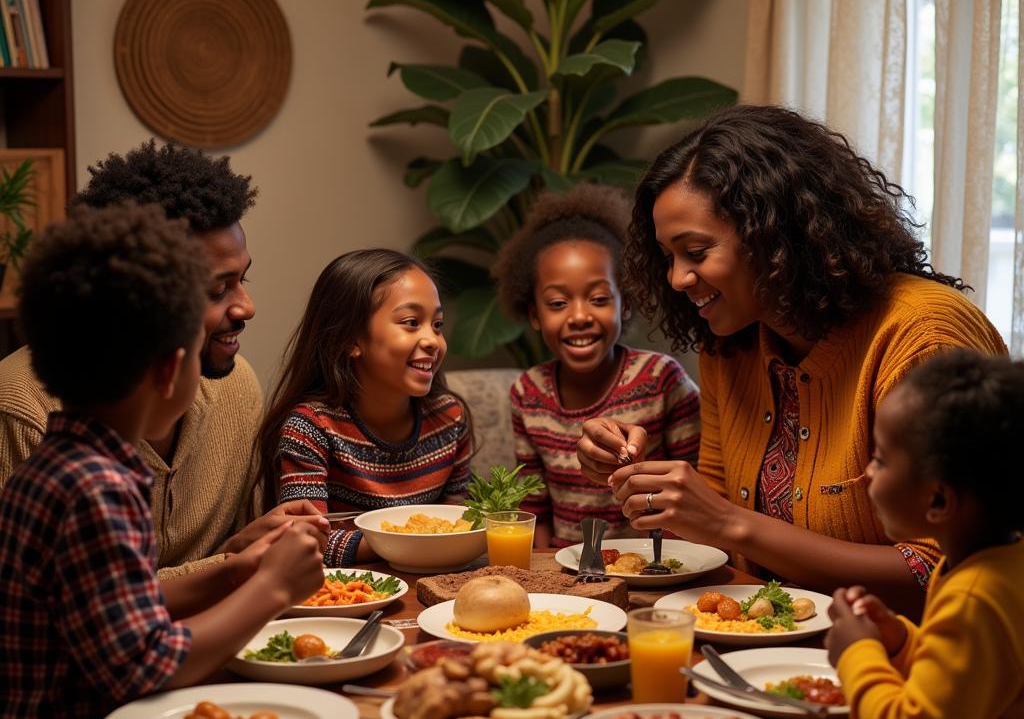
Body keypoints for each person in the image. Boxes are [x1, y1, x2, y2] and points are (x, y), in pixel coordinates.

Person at [0, 207, 325, 719]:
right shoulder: (99, 488)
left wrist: (232, 571)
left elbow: (120, 605)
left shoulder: (67, 461)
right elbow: (144, 667)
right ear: (173, 367)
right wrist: (271, 589)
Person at [577, 104, 1006, 616]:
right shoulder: (731, 343)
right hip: (765, 648)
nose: (676, 279)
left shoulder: (923, 337)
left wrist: (728, 523)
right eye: (669, 257)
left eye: (695, 251)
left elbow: (953, 569)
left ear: (775, 233)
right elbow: (723, 530)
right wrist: (649, 483)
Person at [0, 140, 327, 570]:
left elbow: (236, 555)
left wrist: (250, 545)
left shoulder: (236, 385)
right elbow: (76, 603)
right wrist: (232, 567)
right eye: (217, 290)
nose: (247, 307)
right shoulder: (23, 410)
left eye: (244, 279)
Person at [825, 349, 1023, 719]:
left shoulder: (977, 596)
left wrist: (857, 654)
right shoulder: (989, 563)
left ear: (937, 499)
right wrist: (900, 640)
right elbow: (974, 676)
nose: (867, 471)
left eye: (883, 460)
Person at [492, 183, 699, 548]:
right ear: (534, 314)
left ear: (626, 304)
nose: (579, 316)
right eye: (557, 303)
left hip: (657, 568)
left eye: (599, 298)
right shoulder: (528, 393)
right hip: (566, 572)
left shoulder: (662, 380)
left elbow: (700, 491)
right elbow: (534, 508)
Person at [254, 249, 473, 566]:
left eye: (437, 324)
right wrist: (419, 540)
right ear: (351, 339)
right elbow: (306, 542)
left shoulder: (449, 419)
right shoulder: (310, 428)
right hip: (347, 597)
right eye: (411, 323)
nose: (433, 340)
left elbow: (462, 522)